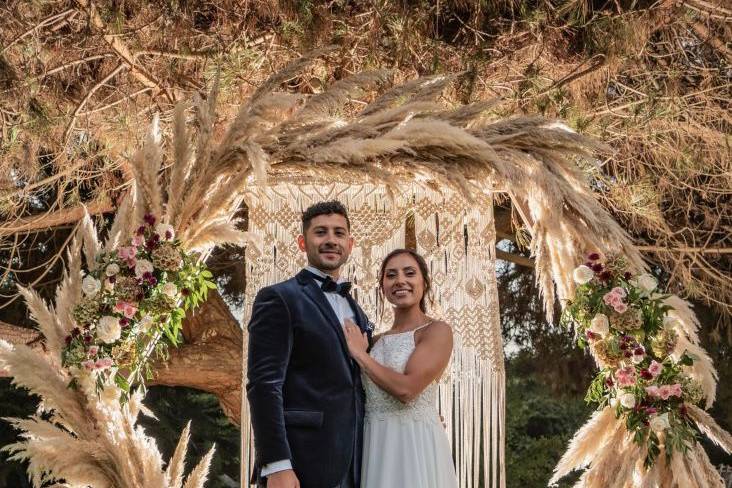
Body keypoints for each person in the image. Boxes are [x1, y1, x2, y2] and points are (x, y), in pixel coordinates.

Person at [246, 200, 372, 488]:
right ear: (303, 242)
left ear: (350, 244)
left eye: (339, 233)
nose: (331, 240)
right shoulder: (278, 298)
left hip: (357, 462)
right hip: (301, 462)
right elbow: (264, 385)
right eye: (321, 232)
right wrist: (276, 464)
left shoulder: (357, 310)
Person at [343, 248, 459, 488]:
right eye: (391, 275)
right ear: (382, 287)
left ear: (424, 282)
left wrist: (359, 355)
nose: (400, 281)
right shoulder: (374, 341)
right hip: (376, 442)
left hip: (414, 442)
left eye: (409, 273)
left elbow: (407, 391)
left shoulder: (436, 331)